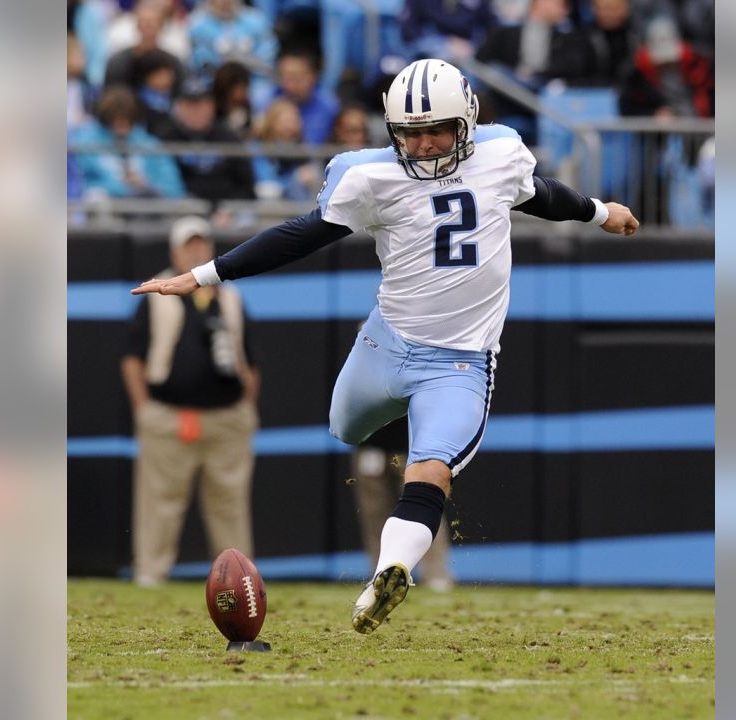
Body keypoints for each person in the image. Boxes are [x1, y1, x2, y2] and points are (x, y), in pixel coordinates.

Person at [131, 59, 638, 632]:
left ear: (467, 121)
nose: (423, 145)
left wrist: (600, 211)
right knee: (344, 427)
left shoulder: (500, 155)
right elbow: (301, 234)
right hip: (386, 341)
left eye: (436, 131)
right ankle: (392, 549)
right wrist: (202, 275)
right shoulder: (370, 175)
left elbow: (539, 194)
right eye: (410, 133)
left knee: (429, 469)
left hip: (460, 363)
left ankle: (390, 571)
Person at [122, 217, 261, 587]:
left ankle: (239, 581)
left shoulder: (229, 296)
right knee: (160, 503)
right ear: (175, 251)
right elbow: (133, 358)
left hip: (225, 419)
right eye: (190, 245)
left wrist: (244, 409)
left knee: (229, 506)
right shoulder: (156, 295)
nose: (197, 251)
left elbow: (250, 360)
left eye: (203, 245)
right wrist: (145, 410)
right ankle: (150, 573)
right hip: (169, 418)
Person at [352, 418, 455, 592]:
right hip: (371, 448)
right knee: (375, 515)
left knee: (425, 508)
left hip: (415, 450)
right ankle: (381, 576)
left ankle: (436, 574)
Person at [69, 87, 185, 199]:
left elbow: (174, 189)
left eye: (127, 119)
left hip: (148, 209)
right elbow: (78, 184)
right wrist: (122, 187)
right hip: (104, 211)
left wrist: (145, 185)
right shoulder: (85, 143)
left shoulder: (149, 144)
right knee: (96, 197)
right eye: (115, 119)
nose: (121, 124)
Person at [152, 76, 257, 201]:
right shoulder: (166, 138)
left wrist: (229, 208)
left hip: (228, 209)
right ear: (179, 108)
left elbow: (246, 184)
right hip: (181, 208)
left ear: (212, 106)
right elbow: (159, 182)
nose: (196, 112)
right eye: (190, 106)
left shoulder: (228, 137)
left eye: (201, 105)